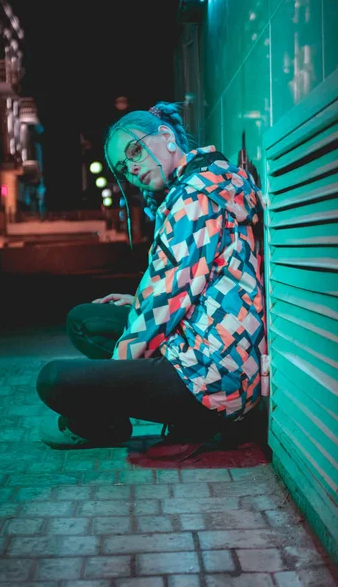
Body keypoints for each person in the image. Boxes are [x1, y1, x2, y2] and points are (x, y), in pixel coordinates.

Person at [36, 101, 267, 461]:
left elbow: (162, 304)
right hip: (208, 348)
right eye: (124, 167)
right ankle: (123, 418)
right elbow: (184, 280)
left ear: (165, 136)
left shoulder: (194, 198)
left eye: (134, 151)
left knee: (52, 380)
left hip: (213, 380)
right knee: (86, 320)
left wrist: (108, 388)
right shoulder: (202, 181)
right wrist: (137, 302)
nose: (133, 169)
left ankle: (183, 423)